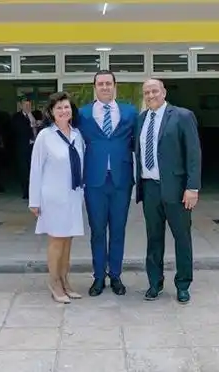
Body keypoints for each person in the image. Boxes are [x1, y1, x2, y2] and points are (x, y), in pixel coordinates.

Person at [135, 79, 201, 304]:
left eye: (154, 91)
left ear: (163, 92)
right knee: (153, 238)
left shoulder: (182, 116)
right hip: (149, 187)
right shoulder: (141, 119)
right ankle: (155, 283)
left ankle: (183, 284)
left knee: (182, 238)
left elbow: (193, 153)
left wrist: (192, 187)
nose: (150, 95)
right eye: (146, 92)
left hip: (177, 189)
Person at [76, 70, 138, 296]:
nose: (105, 87)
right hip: (94, 181)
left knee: (118, 230)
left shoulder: (130, 112)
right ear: (95, 87)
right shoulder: (82, 114)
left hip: (121, 180)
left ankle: (116, 276)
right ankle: (99, 277)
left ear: (115, 86)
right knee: (98, 231)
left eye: (108, 83)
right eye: (100, 84)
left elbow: (139, 142)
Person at [28, 92, 85, 304]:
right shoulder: (45, 136)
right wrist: (34, 201)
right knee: (57, 240)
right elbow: (36, 168)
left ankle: (65, 280)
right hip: (53, 196)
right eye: (59, 108)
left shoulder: (77, 135)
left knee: (68, 240)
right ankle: (54, 282)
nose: (63, 111)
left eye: (66, 107)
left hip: (73, 195)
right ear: (51, 112)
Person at [11, 96, 37, 200]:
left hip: (34, 148)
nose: (27, 107)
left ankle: (34, 191)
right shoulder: (16, 117)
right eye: (25, 105)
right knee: (24, 170)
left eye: (29, 105)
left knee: (33, 170)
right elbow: (18, 130)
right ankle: (26, 192)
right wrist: (31, 125)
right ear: (21, 106)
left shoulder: (35, 115)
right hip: (22, 147)